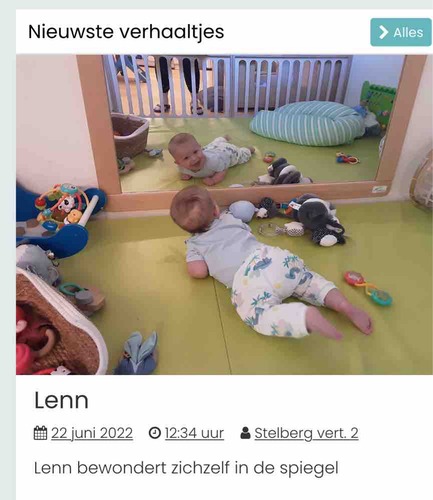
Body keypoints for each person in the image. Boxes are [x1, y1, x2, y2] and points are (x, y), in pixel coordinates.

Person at [170, 186, 373, 341]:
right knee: (308, 281)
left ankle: (300, 318)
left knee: (258, 315)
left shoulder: (194, 244)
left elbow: (198, 271)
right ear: (216, 210)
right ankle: (343, 304)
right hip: (274, 258)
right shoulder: (229, 218)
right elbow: (245, 225)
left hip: (248, 280)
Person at [168, 133, 255, 186]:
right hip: (211, 148)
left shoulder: (213, 161)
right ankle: (223, 139)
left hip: (226, 153)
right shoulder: (182, 168)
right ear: (178, 163)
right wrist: (187, 174)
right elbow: (185, 170)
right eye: (186, 158)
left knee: (240, 156)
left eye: (195, 152)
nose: (194, 158)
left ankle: (248, 150)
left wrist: (214, 180)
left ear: (200, 147)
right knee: (213, 144)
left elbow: (223, 170)